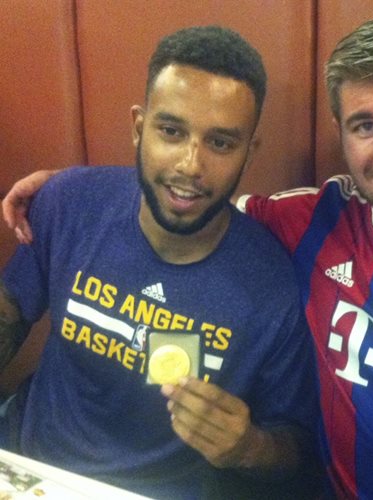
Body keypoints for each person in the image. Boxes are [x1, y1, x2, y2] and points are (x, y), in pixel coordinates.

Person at [5, 13, 373, 500]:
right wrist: (69, 194)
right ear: (341, 133)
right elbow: (189, 197)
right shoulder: (313, 219)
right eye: (366, 126)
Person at [0, 26, 322, 500]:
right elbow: (9, 313)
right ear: (139, 127)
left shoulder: (274, 291)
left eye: (221, 143)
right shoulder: (69, 202)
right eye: (171, 131)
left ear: (248, 152)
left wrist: (248, 448)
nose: (190, 165)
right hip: (28, 463)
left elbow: (299, 455)